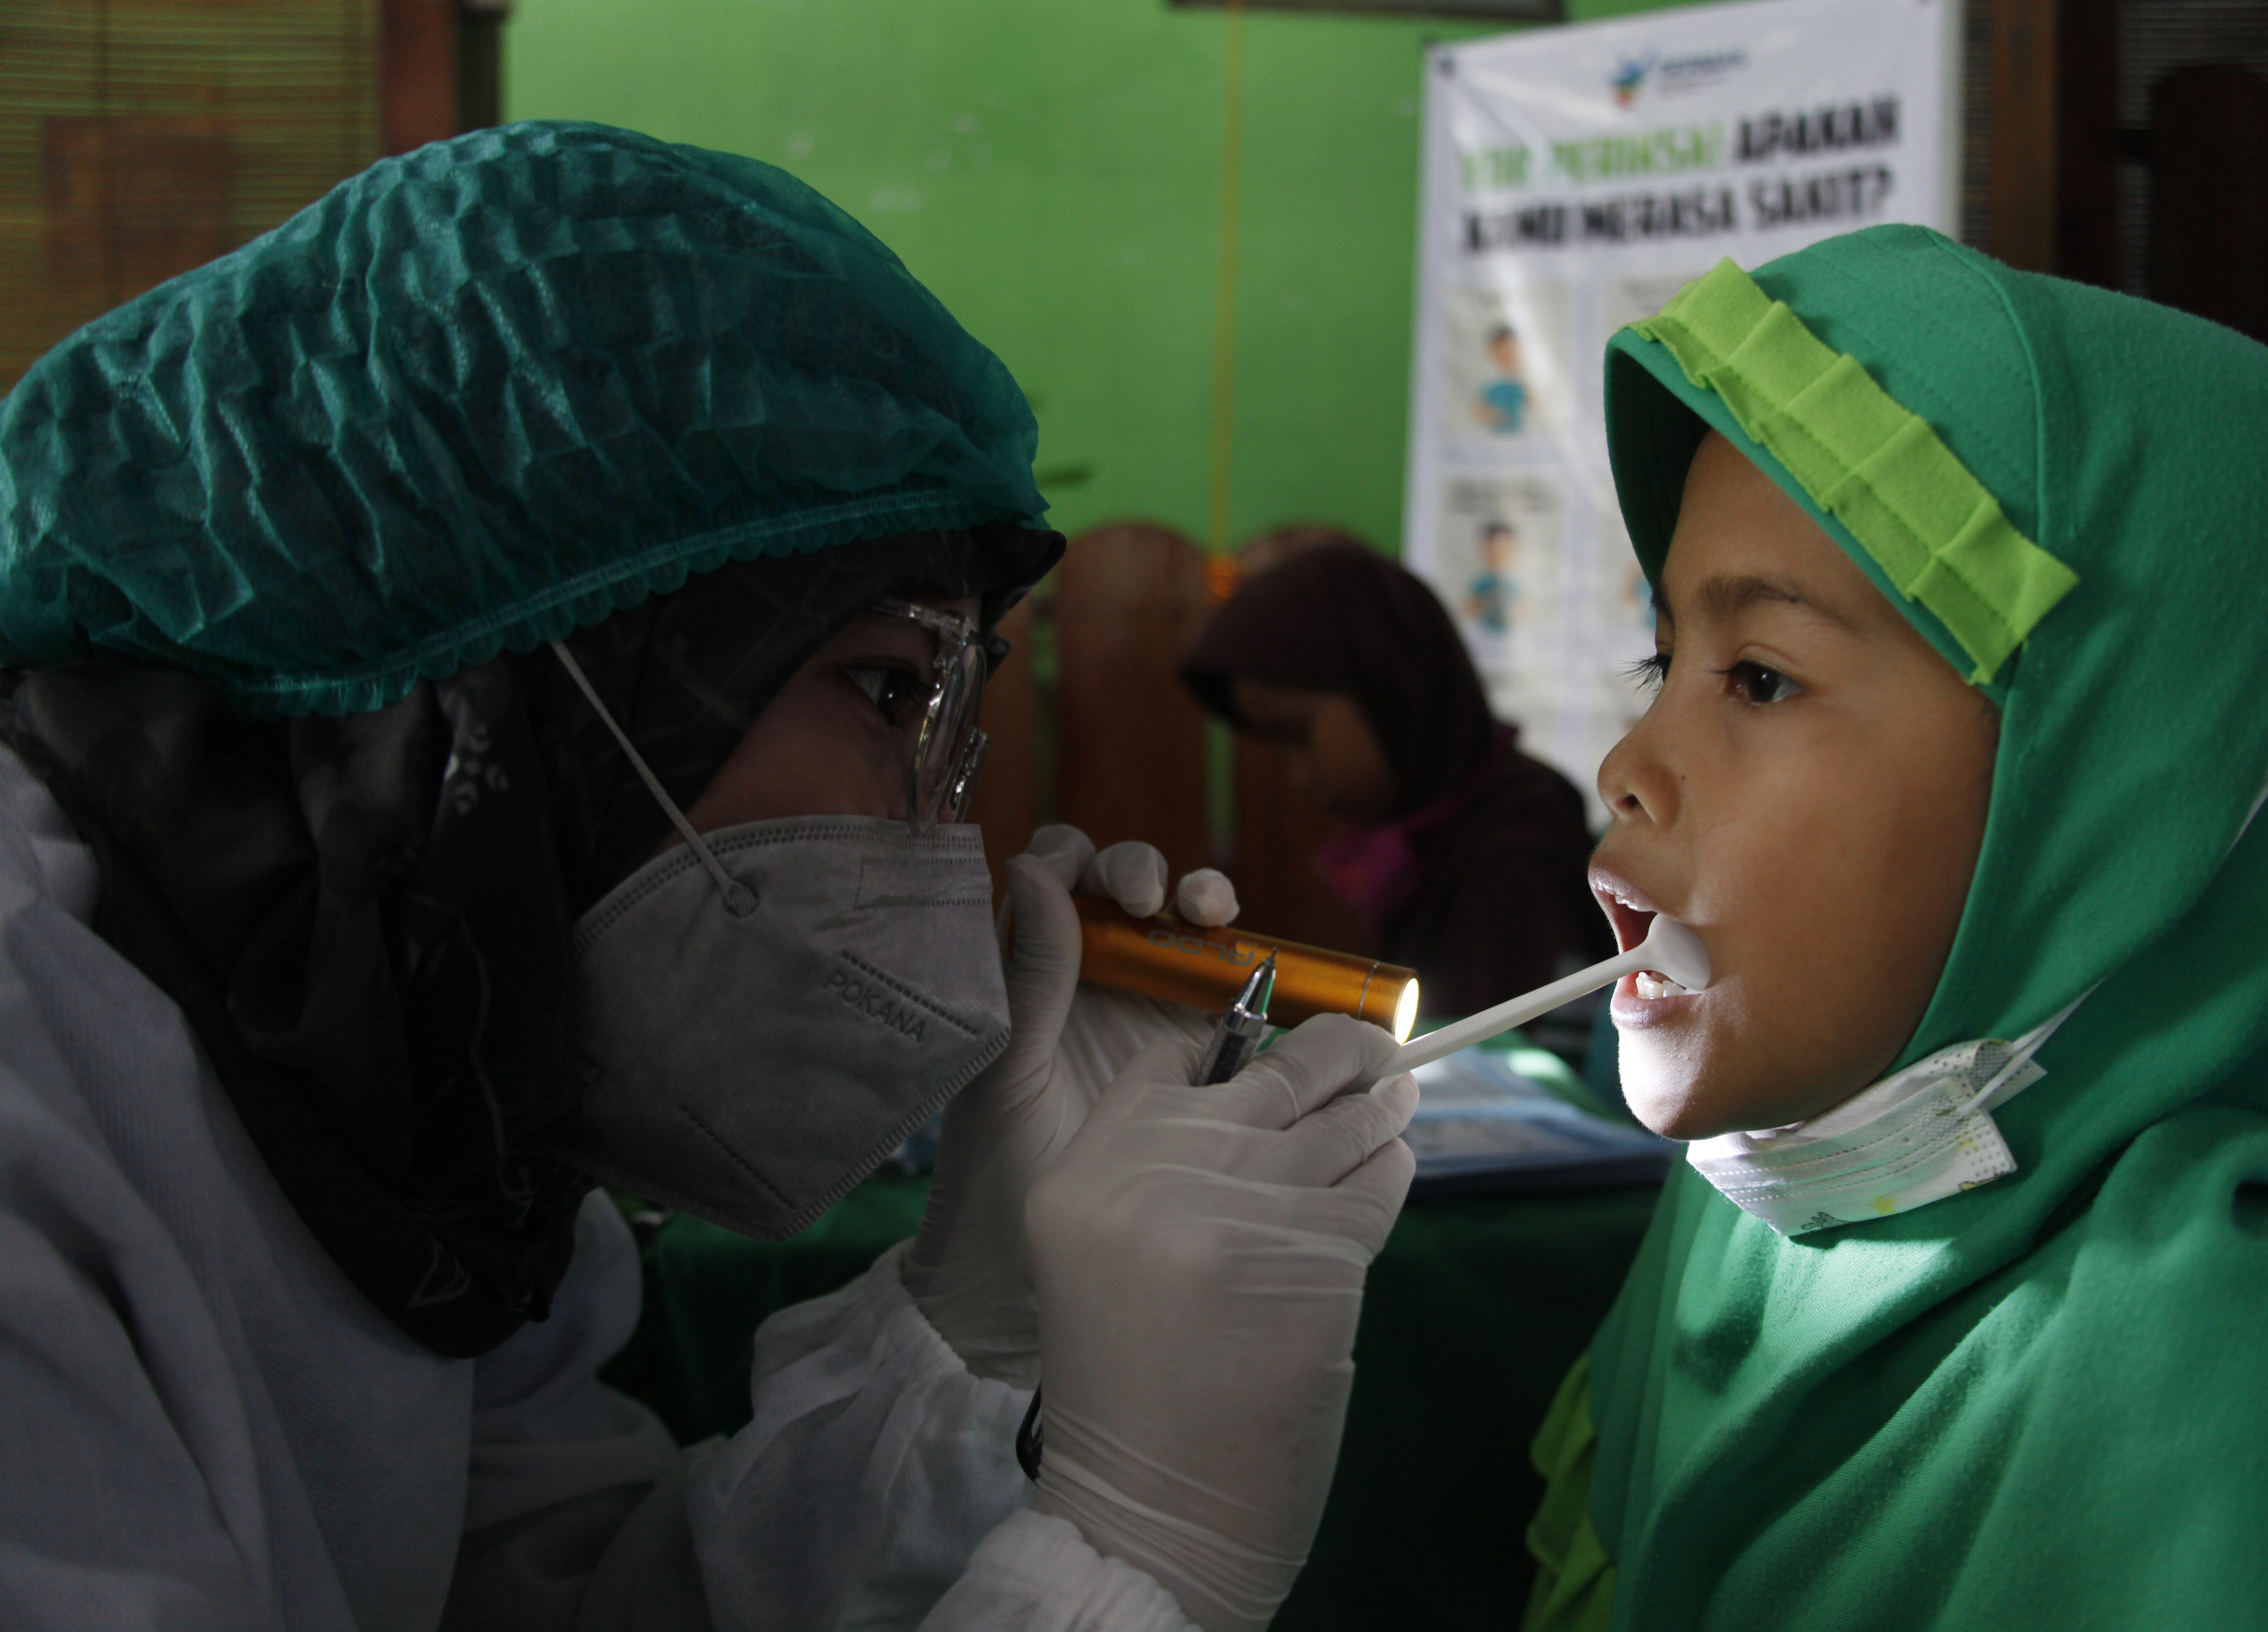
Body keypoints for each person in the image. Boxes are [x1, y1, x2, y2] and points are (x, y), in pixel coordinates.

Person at [0, 122, 1421, 1632]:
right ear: (540, 684)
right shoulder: (40, 1110)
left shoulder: (416, 1097)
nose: (936, 820)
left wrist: (972, 1326)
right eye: (886, 694)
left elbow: (556, 1605)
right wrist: (1127, 1564)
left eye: (955, 716)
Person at [1524, 225, 2268, 1629]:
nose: (1626, 764)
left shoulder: (2233, 1387)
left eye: (1760, 678)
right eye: (1665, 657)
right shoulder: (1768, 1203)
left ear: (2111, 819)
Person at [1181, 540, 1612, 1018]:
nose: (1299, 777)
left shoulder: (1515, 845)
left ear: (1389, 685)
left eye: (1298, 734)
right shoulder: (1426, 841)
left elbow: (1496, 1051)